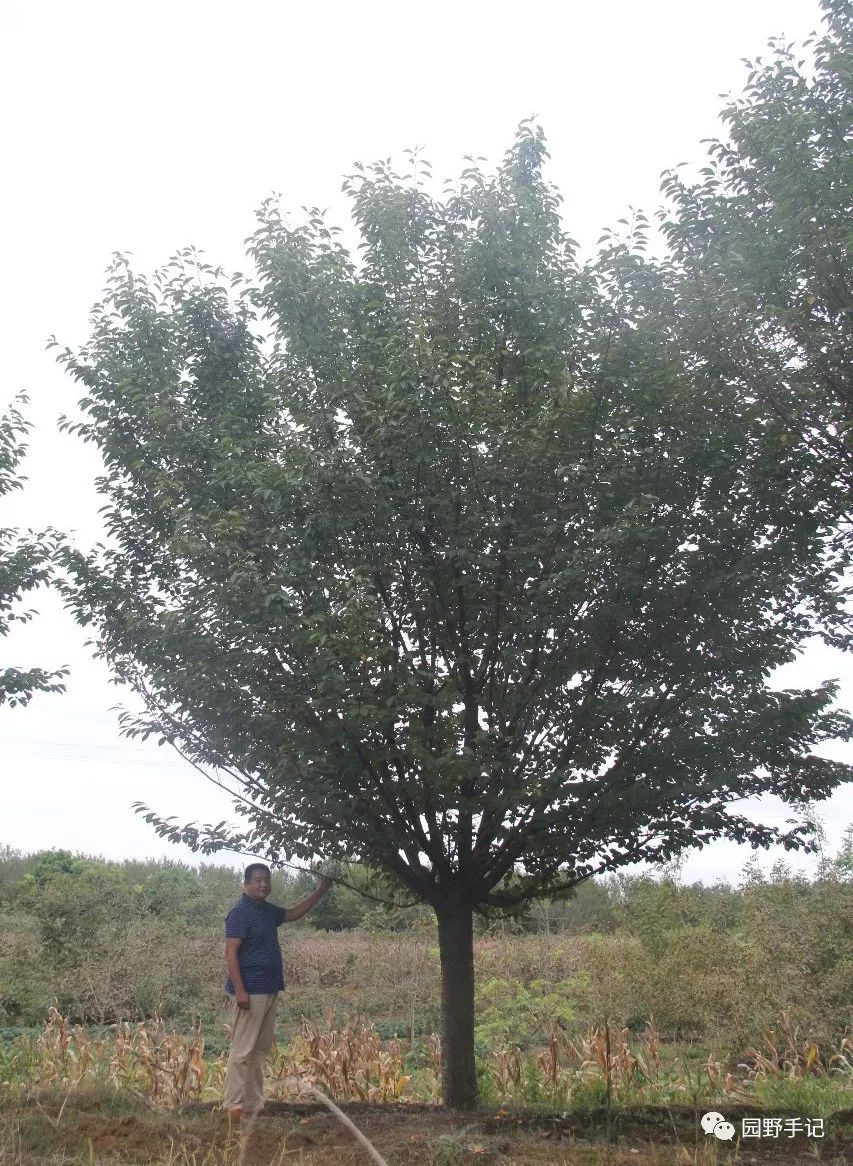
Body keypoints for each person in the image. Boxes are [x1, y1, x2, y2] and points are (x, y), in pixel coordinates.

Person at [222, 863, 332, 1117]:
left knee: (259, 1051)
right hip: (251, 990)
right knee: (242, 1050)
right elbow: (230, 951)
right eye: (258, 880)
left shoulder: (266, 911)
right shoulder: (240, 912)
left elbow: (293, 913)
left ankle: (253, 1104)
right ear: (246, 884)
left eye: (266, 880)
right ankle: (233, 1105)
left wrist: (320, 891)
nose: (263, 885)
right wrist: (240, 991)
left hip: (270, 987)